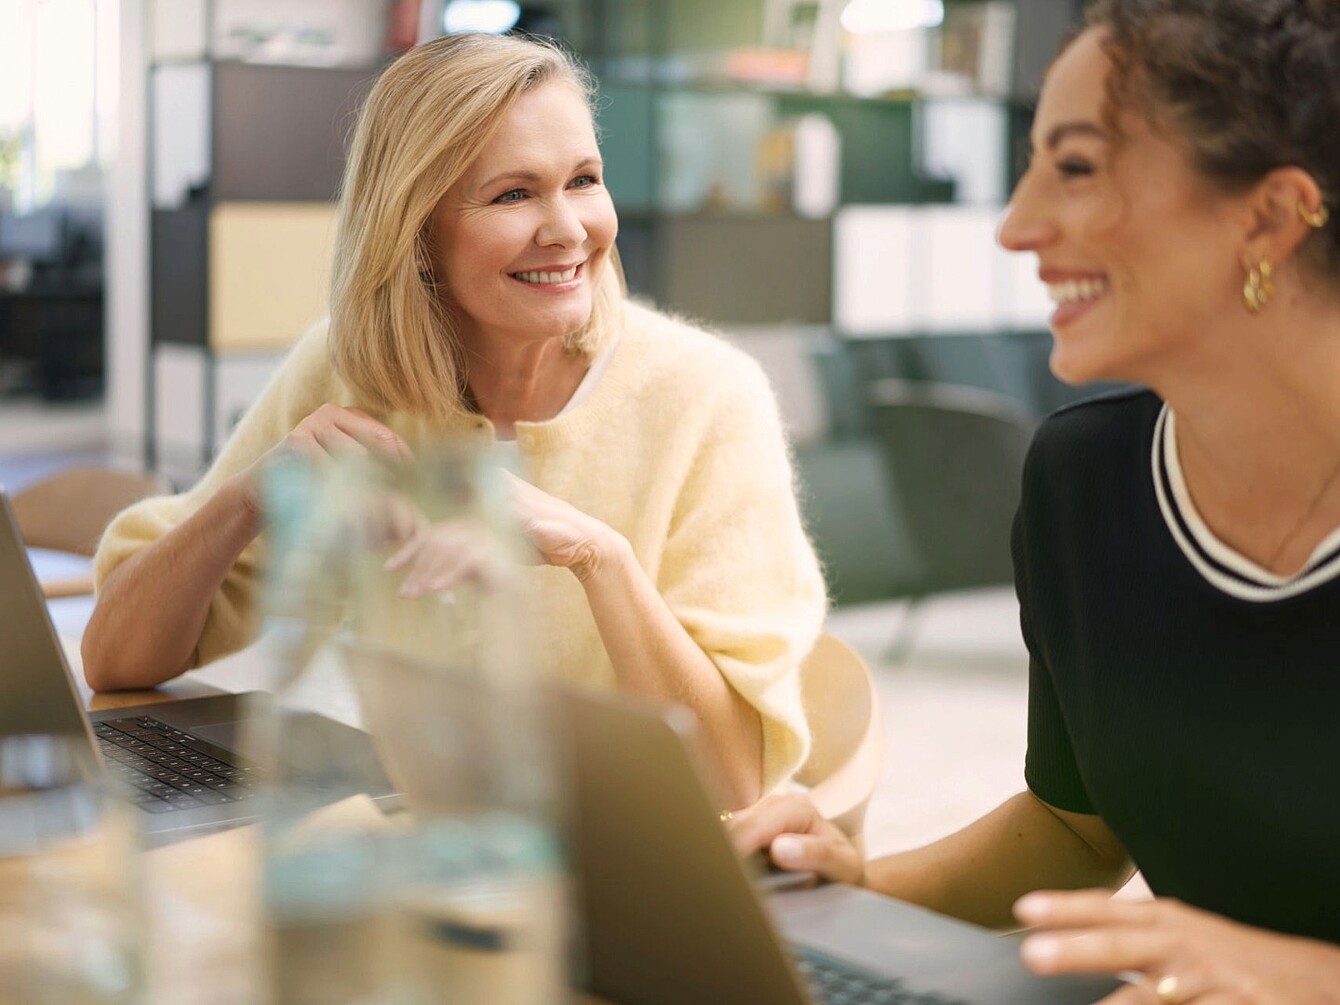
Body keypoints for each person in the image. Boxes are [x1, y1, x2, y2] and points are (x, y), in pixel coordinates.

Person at [731, 0, 1340, 999]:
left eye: (1074, 168)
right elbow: (1069, 829)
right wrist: (852, 888)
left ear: (1266, 218)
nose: (1015, 226)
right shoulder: (1084, 484)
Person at [82, 32, 826, 807]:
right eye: (514, 194)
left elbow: (732, 779)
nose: (568, 228)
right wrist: (250, 496)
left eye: (583, 179)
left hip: (629, 854)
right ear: (418, 235)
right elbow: (115, 661)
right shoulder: (351, 371)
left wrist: (597, 558)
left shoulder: (709, 397)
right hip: (434, 847)